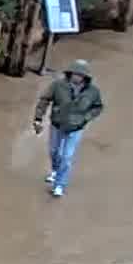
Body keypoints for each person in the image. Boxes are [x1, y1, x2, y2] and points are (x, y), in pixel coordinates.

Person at [33, 59, 104, 198]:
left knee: (66, 157)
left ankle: (59, 184)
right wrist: (38, 118)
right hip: (57, 124)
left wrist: (86, 118)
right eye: (74, 74)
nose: (76, 77)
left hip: (76, 128)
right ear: (70, 73)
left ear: (85, 77)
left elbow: (98, 107)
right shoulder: (58, 85)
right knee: (54, 151)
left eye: (80, 75)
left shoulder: (93, 91)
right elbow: (44, 100)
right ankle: (55, 171)